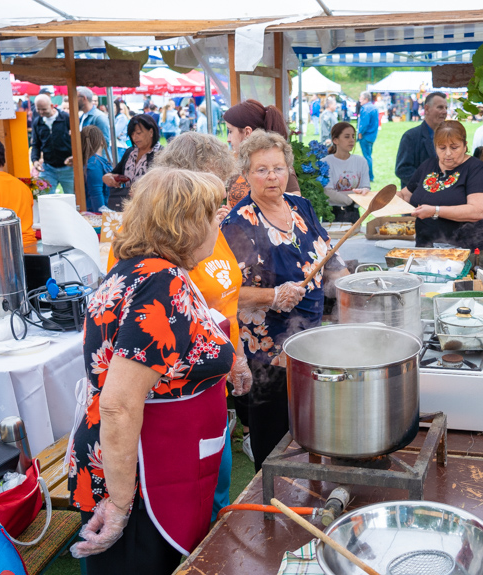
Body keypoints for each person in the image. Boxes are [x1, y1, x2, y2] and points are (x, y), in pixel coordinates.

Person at [67, 167, 234, 574]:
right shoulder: (163, 283)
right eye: (213, 215)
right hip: (142, 474)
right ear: (187, 223)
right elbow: (119, 405)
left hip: (147, 462)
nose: (219, 223)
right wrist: (121, 505)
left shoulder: (142, 269)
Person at [222, 130, 349, 471]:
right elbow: (225, 293)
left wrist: (348, 282)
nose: (272, 177)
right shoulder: (238, 224)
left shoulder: (300, 206)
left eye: (278, 168)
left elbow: (327, 257)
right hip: (267, 349)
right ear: (246, 174)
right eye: (261, 169)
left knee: (312, 425)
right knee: (273, 434)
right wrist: (272, 296)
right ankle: (270, 497)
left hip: (310, 338)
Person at [148, 133, 250, 521]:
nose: (221, 198)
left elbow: (226, 303)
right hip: (179, 393)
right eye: (213, 185)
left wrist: (235, 357)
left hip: (212, 382)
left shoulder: (208, 223)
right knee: (192, 499)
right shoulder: (163, 239)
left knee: (217, 487)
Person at [395, 120, 483, 266]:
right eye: (442, 148)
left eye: (454, 147)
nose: (448, 153)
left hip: (468, 253)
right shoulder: (428, 166)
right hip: (426, 250)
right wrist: (373, 197)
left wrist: (435, 211)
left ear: (465, 145)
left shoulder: (476, 169)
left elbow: (477, 211)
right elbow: (405, 195)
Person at [222, 99, 301, 209]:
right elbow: (231, 207)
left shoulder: (279, 168)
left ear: (247, 132)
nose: (228, 139)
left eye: (230, 131)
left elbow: (295, 209)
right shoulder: (235, 164)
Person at [102, 114, 161, 211]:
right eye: (132, 134)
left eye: (138, 133)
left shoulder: (161, 154)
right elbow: (116, 172)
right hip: (128, 207)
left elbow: (166, 186)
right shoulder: (130, 152)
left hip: (151, 209)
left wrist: (143, 192)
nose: (135, 137)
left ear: (151, 132)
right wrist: (108, 177)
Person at [395, 92, 448, 188]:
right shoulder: (411, 136)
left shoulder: (448, 137)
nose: (444, 112)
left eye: (446, 108)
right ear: (427, 109)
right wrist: (429, 184)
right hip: (417, 198)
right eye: (440, 107)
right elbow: (402, 170)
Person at [322, 122, 370, 223]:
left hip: (354, 213)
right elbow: (328, 192)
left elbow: (365, 187)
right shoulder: (326, 162)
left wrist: (364, 191)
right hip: (332, 214)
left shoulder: (361, 161)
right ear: (335, 140)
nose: (351, 140)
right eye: (347, 137)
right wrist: (351, 200)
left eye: (353, 136)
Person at [31, 94, 74, 195]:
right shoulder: (37, 122)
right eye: (38, 109)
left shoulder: (66, 118)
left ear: (51, 106)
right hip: (48, 168)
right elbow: (36, 144)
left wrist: (74, 156)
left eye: (44, 109)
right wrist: (35, 160)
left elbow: (77, 140)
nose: (41, 112)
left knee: (74, 198)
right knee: (43, 197)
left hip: (69, 168)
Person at [81, 126, 112, 212]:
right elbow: (96, 194)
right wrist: (101, 217)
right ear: (101, 141)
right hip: (97, 216)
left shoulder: (94, 161)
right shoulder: (94, 164)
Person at [356, 91, 379, 183]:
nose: (359, 100)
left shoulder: (365, 108)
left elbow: (364, 123)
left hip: (365, 135)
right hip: (372, 135)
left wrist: (360, 133)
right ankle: (369, 176)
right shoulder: (374, 107)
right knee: (368, 155)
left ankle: (369, 176)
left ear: (366, 99)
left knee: (366, 157)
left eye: (361, 98)